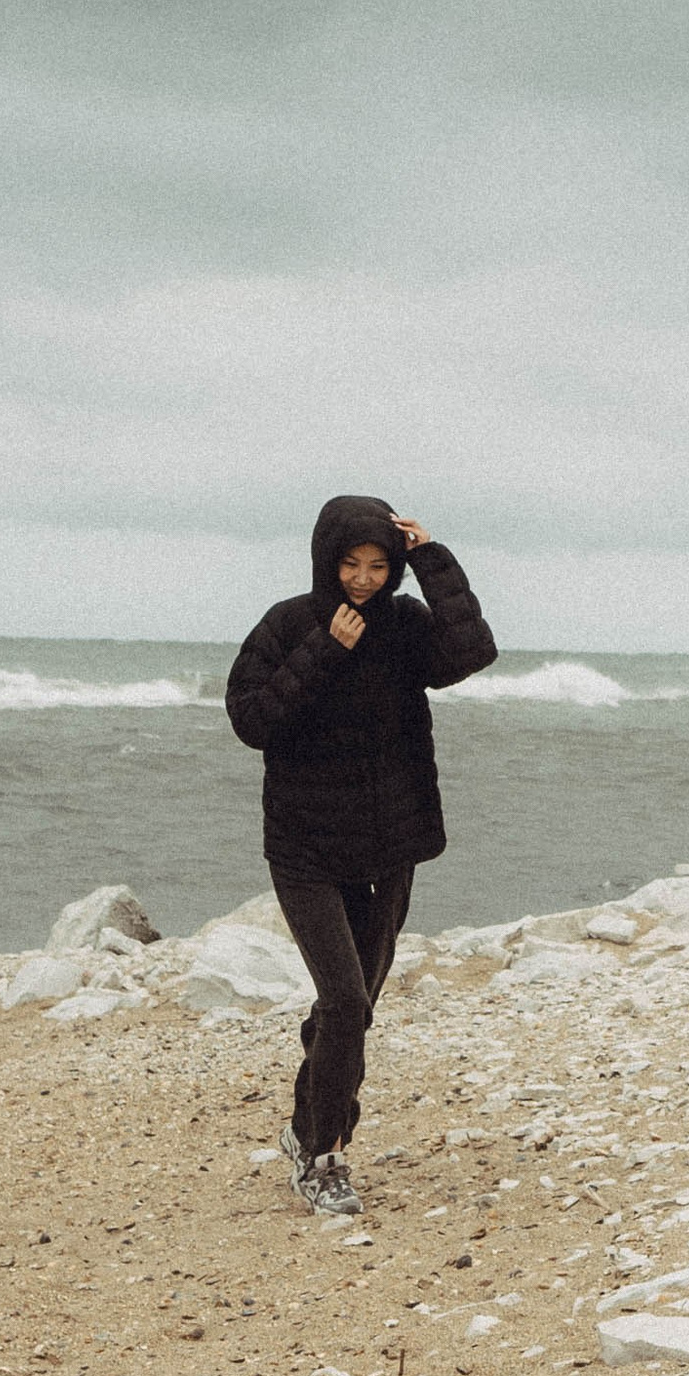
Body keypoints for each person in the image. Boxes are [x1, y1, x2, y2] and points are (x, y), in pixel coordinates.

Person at [224, 495, 497, 1218]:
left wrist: (435, 560)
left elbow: (471, 652)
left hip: (389, 845)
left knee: (351, 1011)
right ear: (326, 558)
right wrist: (324, 650)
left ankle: (305, 1121)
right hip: (305, 845)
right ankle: (323, 1157)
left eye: (381, 565)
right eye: (352, 563)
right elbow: (251, 721)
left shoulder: (407, 627)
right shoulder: (289, 624)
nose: (365, 579)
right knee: (345, 1002)